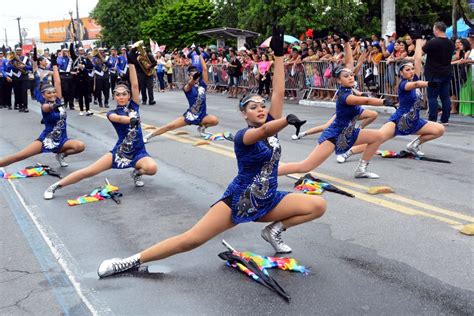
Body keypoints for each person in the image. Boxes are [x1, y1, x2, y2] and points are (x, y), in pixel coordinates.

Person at [96, 26, 327, 278]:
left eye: (263, 106)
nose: (260, 109)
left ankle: (273, 231)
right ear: (244, 114)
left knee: (317, 205)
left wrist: (279, 56)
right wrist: (283, 122)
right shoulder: (244, 136)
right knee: (191, 239)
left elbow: (279, 92)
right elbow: (261, 132)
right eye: (253, 107)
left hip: (268, 199)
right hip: (238, 201)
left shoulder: (270, 126)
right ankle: (130, 260)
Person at [43, 46, 157, 200]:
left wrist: (131, 62)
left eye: (124, 94)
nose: (122, 97)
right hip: (120, 152)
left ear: (129, 95)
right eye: (118, 94)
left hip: (138, 152)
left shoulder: (134, 105)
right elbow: (121, 119)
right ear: (114, 96)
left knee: (152, 168)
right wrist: (131, 119)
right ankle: (56, 186)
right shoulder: (112, 113)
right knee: (89, 171)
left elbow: (135, 85)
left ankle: (136, 173)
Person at [278, 38, 395, 179]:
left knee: (378, 137)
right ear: (339, 80)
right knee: (306, 166)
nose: (351, 77)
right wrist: (383, 101)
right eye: (346, 76)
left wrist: (346, 43)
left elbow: (349, 63)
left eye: (352, 75)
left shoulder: (349, 88)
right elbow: (366, 100)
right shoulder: (346, 96)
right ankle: (270, 174)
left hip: (350, 132)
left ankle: (361, 169)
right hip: (334, 135)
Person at [336, 39, 445, 162]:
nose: (411, 71)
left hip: (415, 121)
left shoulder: (414, 78)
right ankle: (348, 153)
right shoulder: (404, 85)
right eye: (407, 70)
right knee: (378, 139)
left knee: (439, 129)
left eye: (412, 69)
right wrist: (429, 83)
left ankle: (413, 145)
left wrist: (419, 43)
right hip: (398, 122)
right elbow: (416, 84)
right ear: (401, 73)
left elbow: (418, 59)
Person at [0, 54, 85, 169]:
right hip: (46, 139)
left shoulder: (58, 98)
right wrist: (53, 106)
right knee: (19, 156)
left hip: (62, 139)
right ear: (43, 95)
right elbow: (46, 108)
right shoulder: (45, 105)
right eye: (48, 93)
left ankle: (61, 155)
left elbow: (57, 82)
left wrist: (54, 64)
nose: (52, 94)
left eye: (53, 92)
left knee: (80, 146)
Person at [143, 47, 219, 142]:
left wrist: (200, 55)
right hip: (190, 116)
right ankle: (148, 136)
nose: (193, 74)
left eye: (195, 73)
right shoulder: (187, 87)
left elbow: (204, 69)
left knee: (214, 120)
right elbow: (190, 84)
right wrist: (194, 78)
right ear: (189, 75)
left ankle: (201, 128)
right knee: (170, 126)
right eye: (191, 74)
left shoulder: (202, 86)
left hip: (202, 116)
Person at [422, 22, 455, 125]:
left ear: (437, 29)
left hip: (433, 73)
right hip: (446, 72)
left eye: (433, 29)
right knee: (445, 97)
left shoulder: (433, 42)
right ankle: (445, 119)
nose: (433, 31)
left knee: (432, 97)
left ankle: (432, 119)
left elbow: (422, 51)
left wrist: (421, 43)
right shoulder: (451, 43)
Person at [70, 44, 93, 116]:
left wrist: (83, 66)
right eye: (80, 50)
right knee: (80, 96)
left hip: (86, 79)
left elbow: (91, 66)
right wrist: (72, 42)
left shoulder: (86, 58)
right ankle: (81, 110)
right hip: (78, 79)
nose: (81, 51)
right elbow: (71, 51)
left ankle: (88, 109)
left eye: (82, 50)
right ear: (78, 51)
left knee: (87, 95)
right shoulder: (76, 58)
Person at [9, 45, 32, 112]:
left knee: (24, 92)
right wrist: (13, 65)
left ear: (21, 51)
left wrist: (24, 66)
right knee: (17, 92)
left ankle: (25, 106)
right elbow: (9, 68)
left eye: (20, 50)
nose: (18, 51)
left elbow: (30, 67)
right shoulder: (12, 58)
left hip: (24, 77)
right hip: (16, 77)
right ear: (15, 51)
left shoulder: (25, 58)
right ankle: (20, 106)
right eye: (17, 50)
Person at [57, 46, 75, 110]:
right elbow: (59, 63)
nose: (65, 52)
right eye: (64, 51)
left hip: (71, 76)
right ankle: (65, 102)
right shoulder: (60, 58)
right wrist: (61, 55)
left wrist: (69, 57)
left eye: (67, 51)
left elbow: (74, 66)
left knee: (72, 91)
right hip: (63, 76)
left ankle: (71, 104)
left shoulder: (70, 59)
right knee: (65, 90)